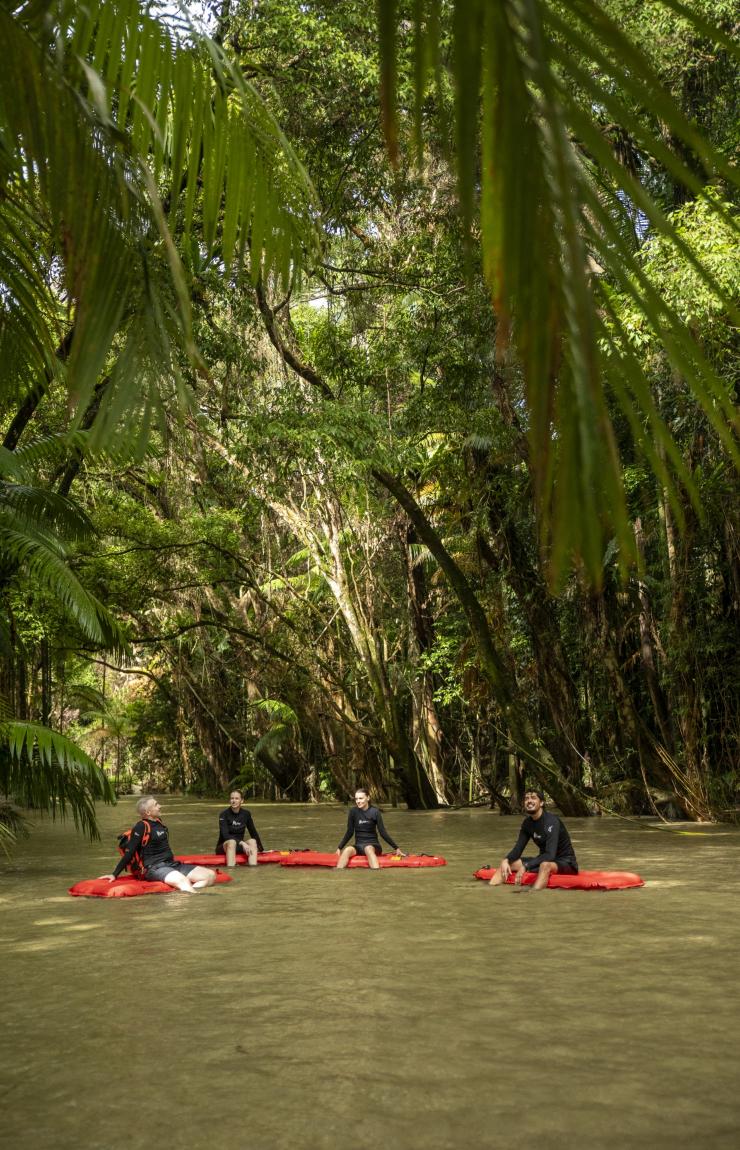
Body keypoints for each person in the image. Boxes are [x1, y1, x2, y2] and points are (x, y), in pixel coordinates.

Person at [101, 796, 217, 893]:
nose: (160, 806)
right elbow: (129, 852)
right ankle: (192, 898)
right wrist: (114, 874)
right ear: (148, 812)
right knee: (184, 881)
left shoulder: (159, 822)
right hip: (154, 868)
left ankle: (187, 892)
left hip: (172, 864)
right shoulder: (141, 826)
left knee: (210, 875)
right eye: (156, 805)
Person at [488, 789, 578, 890]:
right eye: (526, 799)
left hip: (566, 862)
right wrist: (506, 860)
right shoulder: (527, 823)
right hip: (544, 859)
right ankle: (490, 890)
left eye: (533, 798)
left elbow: (550, 855)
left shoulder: (552, 822)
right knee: (509, 864)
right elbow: (518, 849)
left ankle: (533, 895)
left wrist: (526, 866)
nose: (529, 801)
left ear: (541, 803)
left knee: (545, 865)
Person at [335, 788, 404, 870]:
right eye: (356, 799)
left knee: (368, 848)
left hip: (373, 846)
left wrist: (396, 848)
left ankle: (376, 871)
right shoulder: (353, 812)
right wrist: (339, 847)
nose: (358, 801)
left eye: (361, 798)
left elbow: (382, 832)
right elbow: (349, 832)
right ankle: (338, 871)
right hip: (359, 846)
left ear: (368, 798)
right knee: (347, 850)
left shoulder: (375, 812)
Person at [216, 790, 264, 867]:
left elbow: (253, 832)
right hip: (224, 847)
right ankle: (231, 870)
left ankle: (253, 869)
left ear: (242, 801)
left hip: (240, 846)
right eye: (232, 798)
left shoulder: (246, 814)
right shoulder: (223, 814)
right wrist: (242, 843)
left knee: (252, 841)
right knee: (232, 842)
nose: (233, 801)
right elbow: (225, 835)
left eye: (236, 798)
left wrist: (261, 849)